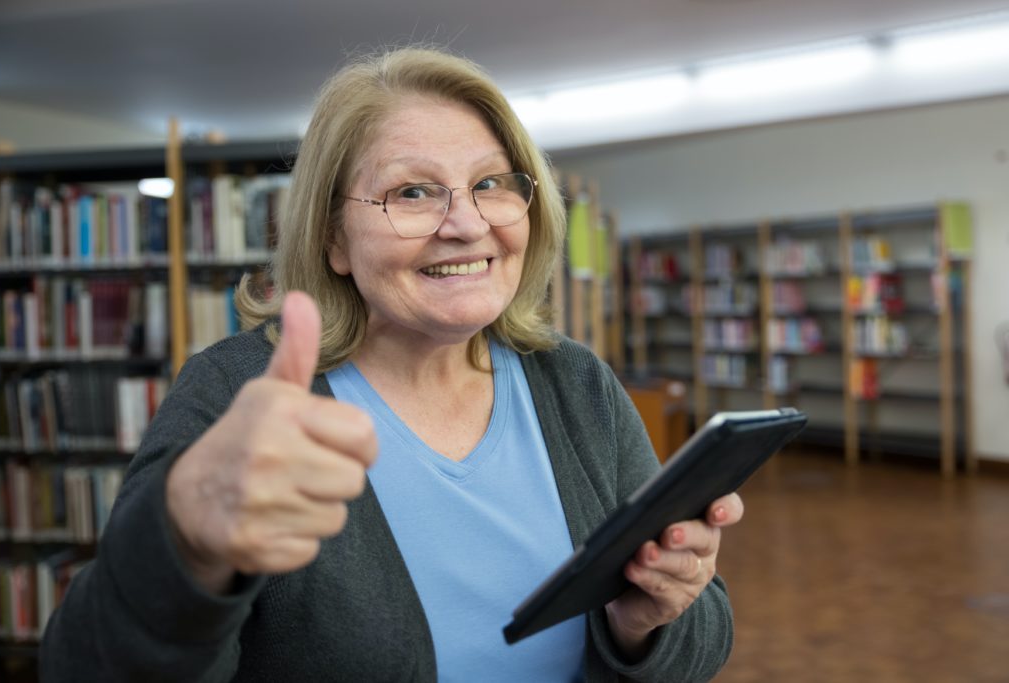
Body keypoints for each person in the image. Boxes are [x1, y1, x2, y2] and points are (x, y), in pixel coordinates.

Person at [41, 46, 743, 682]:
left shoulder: (575, 382)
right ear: (333, 239)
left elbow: (706, 631)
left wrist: (642, 624)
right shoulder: (238, 392)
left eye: (492, 183)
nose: (466, 223)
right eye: (412, 191)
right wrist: (184, 545)